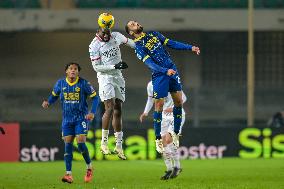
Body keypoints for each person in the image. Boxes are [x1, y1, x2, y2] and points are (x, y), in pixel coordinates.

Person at [125, 20, 200, 179]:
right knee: (165, 140)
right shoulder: (138, 47)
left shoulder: (153, 34)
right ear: (131, 33)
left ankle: (176, 160)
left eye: (135, 22)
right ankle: (170, 167)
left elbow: (171, 43)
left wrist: (190, 47)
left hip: (171, 71)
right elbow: (151, 64)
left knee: (178, 103)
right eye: (132, 24)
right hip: (162, 73)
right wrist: (145, 112)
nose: (135, 23)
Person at [42, 62, 99, 184]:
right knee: (67, 145)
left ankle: (89, 167)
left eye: (75, 69)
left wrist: (92, 112)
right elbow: (54, 96)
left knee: (80, 142)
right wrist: (48, 102)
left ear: (78, 72)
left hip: (81, 118)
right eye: (71, 69)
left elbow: (95, 98)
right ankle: (68, 175)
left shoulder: (84, 83)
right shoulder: (60, 83)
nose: (73, 70)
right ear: (66, 71)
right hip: (67, 120)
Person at [89, 25, 135, 160]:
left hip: (118, 76)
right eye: (104, 33)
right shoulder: (94, 45)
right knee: (109, 107)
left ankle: (119, 146)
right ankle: (104, 143)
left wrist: (142, 46)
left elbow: (131, 43)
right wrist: (114, 66)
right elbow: (96, 67)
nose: (106, 36)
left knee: (118, 109)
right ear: (98, 32)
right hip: (105, 77)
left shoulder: (116, 36)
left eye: (108, 33)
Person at [140, 81, 187, 179]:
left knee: (169, 139)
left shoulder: (171, 82)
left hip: (176, 115)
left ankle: (177, 166)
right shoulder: (150, 85)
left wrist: (173, 107)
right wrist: (145, 112)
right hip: (163, 116)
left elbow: (183, 98)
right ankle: (170, 169)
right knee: (162, 142)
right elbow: (150, 99)